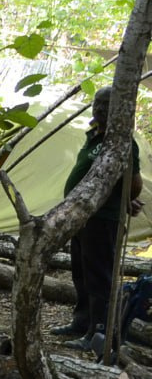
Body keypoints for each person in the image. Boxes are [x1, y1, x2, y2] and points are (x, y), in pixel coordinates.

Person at [52, 86, 144, 341]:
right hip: (81, 217)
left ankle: (98, 331)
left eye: (107, 104)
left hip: (102, 219)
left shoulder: (123, 142)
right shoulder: (94, 135)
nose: (100, 109)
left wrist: (122, 199)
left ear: (119, 109)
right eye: (97, 103)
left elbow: (133, 184)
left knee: (98, 276)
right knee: (80, 272)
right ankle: (81, 323)